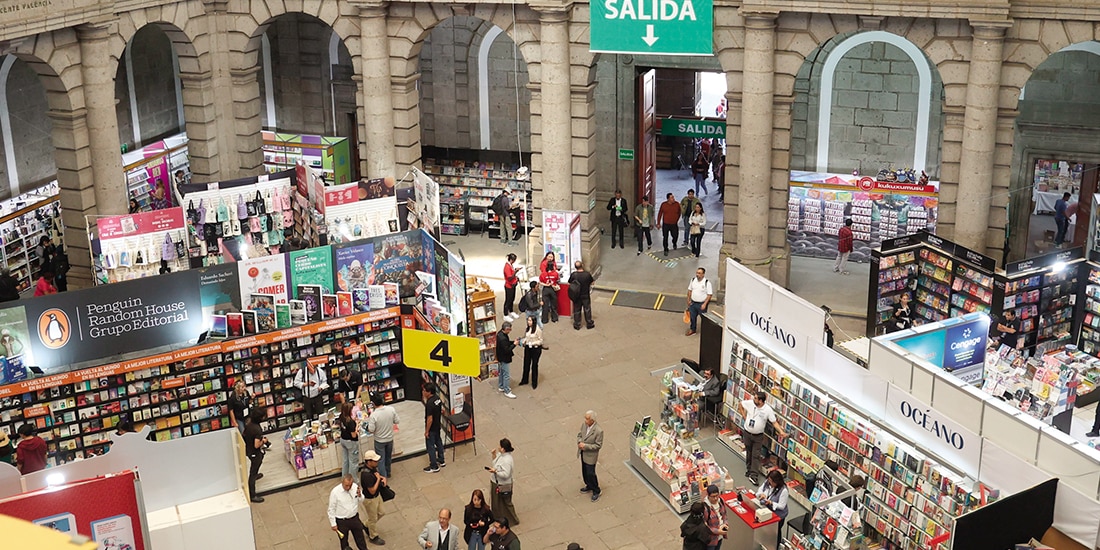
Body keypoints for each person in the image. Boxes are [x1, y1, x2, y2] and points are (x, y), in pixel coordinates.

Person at [739, 391, 786, 485]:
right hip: (747, 433)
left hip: (758, 436)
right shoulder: (750, 403)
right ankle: (749, 469)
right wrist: (744, 416)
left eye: (756, 398)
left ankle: (754, 475)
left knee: (756, 455)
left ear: (761, 401)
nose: (753, 399)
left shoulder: (767, 410)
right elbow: (740, 404)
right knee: (749, 452)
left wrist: (781, 432)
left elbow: (774, 422)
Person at [327, 474, 368, 550]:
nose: (348, 487)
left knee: (360, 539)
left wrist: (360, 495)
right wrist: (333, 523)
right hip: (342, 521)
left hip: (354, 518)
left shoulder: (355, 487)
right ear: (342, 482)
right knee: (344, 542)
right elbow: (331, 509)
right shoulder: (335, 492)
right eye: (346, 485)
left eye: (350, 485)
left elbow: (362, 500)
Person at [359, 449, 387, 546]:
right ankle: (373, 536)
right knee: (373, 518)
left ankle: (367, 525)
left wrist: (381, 478)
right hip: (370, 499)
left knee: (382, 512)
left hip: (377, 496)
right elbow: (372, 490)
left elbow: (377, 476)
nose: (377, 462)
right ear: (369, 462)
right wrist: (379, 479)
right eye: (375, 461)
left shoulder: (372, 468)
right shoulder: (366, 475)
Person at [367, 393, 399, 477]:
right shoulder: (391, 409)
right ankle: (388, 472)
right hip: (390, 438)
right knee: (388, 457)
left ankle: (383, 477)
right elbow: (397, 421)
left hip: (379, 440)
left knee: (380, 460)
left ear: (373, 404)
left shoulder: (373, 415)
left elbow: (371, 429)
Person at [488, 438, 519, 526]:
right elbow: (495, 463)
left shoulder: (507, 460)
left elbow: (506, 474)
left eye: (500, 446)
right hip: (497, 482)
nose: (498, 447)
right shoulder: (501, 455)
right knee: (497, 503)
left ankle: (513, 519)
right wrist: (493, 455)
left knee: (506, 502)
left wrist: (495, 472)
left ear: (503, 449)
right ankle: (499, 518)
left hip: (502, 484)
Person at [757, 469, 790, 549]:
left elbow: (781, 506)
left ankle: (776, 545)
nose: (770, 483)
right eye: (769, 480)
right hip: (768, 510)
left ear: (777, 481)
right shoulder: (767, 482)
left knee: (776, 531)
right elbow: (760, 489)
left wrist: (771, 503)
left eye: (771, 482)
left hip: (779, 515)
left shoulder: (784, 490)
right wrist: (762, 494)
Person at [577, 410, 603, 502]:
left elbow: (598, 445)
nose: (585, 420)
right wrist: (579, 442)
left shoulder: (598, 431)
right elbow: (580, 434)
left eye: (587, 419)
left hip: (591, 456)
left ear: (592, 420)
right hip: (583, 453)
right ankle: (588, 485)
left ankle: (596, 490)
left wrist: (585, 446)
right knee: (584, 471)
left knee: (590, 473)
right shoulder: (584, 425)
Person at [243, 409, 268, 503]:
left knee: (256, 465)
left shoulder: (249, 424)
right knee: (253, 472)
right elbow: (257, 445)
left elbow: (244, 435)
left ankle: (255, 475)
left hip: (249, 450)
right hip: (254, 452)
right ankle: (252, 495)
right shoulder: (257, 429)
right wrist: (264, 441)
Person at [422, 383, 446, 473]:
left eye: (424, 391)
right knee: (438, 442)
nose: (423, 392)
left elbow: (429, 419)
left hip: (432, 428)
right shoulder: (437, 398)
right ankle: (441, 459)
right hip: (437, 425)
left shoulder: (429, 404)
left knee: (430, 446)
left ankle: (434, 466)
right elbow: (441, 410)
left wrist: (427, 431)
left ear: (429, 392)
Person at [567, 261, 595, 330]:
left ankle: (577, 324)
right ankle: (589, 323)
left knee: (577, 310)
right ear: (582, 265)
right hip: (585, 295)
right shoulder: (587, 274)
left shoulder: (574, 275)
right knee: (587, 309)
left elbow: (569, 282)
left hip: (577, 295)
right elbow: (592, 282)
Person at [686, 268, 713, 337]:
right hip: (693, 303)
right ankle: (692, 330)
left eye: (699, 273)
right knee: (692, 317)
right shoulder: (693, 280)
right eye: (697, 273)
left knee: (704, 319)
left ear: (703, 274)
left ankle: (706, 331)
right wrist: (688, 300)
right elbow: (690, 290)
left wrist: (704, 304)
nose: (697, 275)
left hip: (701, 304)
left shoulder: (707, 283)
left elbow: (709, 295)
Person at [519, 315, 543, 389]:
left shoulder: (538, 330)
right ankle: (524, 380)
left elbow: (540, 340)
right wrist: (524, 341)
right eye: (528, 320)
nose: (528, 322)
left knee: (534, 365)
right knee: (526, 364)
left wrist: (533, 343)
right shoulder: (528, 328)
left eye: (530, 320)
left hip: (535, 349)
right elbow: (527, 336)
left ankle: (534, 382)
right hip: (528, 348)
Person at [337, 402, 360, 477]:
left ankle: (345, 477)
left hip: (343, 439)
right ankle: (353, 480)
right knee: (353, 462)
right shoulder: (351, 422)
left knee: (345, 461)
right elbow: (353, 435)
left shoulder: (341, 417)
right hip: (351, 442)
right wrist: (357, 427)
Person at [702, 485, 728, 550]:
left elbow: (724, 515)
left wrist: (725, 524)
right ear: (708, 495)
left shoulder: (721, 501)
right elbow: (704, 526)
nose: (716, 498)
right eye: (713, 496)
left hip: (720, 536)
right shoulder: (705, 508)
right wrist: (718, 531)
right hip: (711, 539)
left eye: (717, 495)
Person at [495, 321, 517, 399]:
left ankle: (501, 386)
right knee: (506, 375)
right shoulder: (503, 338)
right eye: (509, 330)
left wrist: (513, 342)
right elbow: (507, 349)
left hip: (500, 357)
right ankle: (507, 391)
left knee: (501, 372)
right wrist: (514, 344)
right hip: (504, 358)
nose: (510, 331)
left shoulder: (500, 334)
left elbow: (507, 343)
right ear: (507, 329)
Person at [538, 259, 560, 324]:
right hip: (553, 289)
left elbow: (540, 282)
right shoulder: (555, 273)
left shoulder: (543, 274)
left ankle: (544, 320)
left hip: (546, 289)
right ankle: (554, 318)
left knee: (545, 305)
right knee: (554, 304)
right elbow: (557, 280)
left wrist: (546, 284)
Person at [503, 254, 519, 319]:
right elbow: (509, 277)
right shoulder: (506, 267)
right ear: (511, 259)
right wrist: (515, 272)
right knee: (508, 300)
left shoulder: (511, 265)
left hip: (513, 285)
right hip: (509, 286)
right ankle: (505, 314)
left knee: (512, 299)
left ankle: (511, 311)